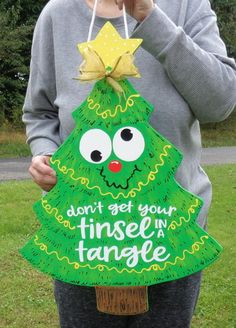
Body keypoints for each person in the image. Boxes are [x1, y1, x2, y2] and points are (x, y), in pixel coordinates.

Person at [22, 0, 236, 327]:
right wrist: (44, 150)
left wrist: (150, 19)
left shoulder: (188, 5)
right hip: (83, 232)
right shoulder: (57, 13)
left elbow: (219, 102)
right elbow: (41, 112)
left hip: (171, 232)